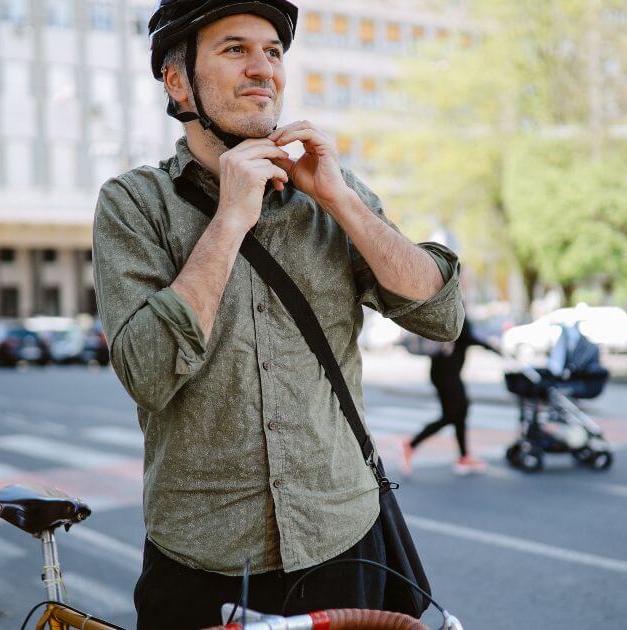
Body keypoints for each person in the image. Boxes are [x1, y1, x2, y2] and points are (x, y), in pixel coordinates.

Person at [90, 1, 464, 628]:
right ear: (178, 81)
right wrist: (232, 216)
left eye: (273, 51)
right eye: (234, 49)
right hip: (202, 553)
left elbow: (440, 314)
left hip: (341, 539)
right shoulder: (134, 204)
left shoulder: (331, 193)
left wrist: (340, 197)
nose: (263, 68)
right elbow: (147, 372)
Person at [401, 316, 498, 476]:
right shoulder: (453, 303)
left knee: (461, 412)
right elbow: (465, 336)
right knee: (452, 414)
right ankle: (411, 444)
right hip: (446, 373)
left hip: (446, 372)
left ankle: (464, 457)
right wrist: (491, 346)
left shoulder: (453, 303)